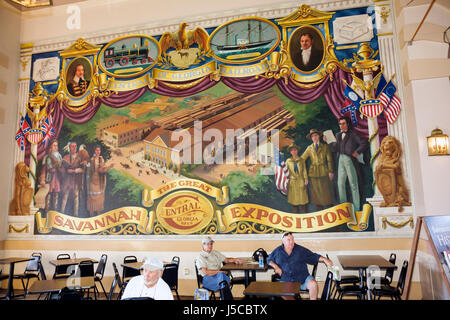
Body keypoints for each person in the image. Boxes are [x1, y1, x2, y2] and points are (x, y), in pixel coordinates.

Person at [267, 232, 333, 300]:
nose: (291, 242)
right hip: (287, 280)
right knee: (283, 292)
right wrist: (276, 267)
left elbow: (313, 256)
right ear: (283, 241)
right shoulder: (278, 251)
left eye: (292, 239)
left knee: (313, 284)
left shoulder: (300, 250)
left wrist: (325, 259)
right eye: (288, 240)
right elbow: (269, 259)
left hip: (302, 278)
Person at [326, 116, 369, 211]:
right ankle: (344, 209)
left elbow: (364, 143)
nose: (341, 126)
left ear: (348, 124)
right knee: (340, 184)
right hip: (340, 159)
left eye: (343, 123)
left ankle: (357, 208)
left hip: (350, 159)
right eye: (340, 124)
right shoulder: (337, 135)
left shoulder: (353, 134)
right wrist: (328, 141)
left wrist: (357, 152)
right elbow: (334, 149)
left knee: (353, 184)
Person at [301, 129, 334, 211]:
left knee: (326, 193)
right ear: (311, 138)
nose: (314, 138)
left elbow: (329, 160)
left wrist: (330, 171)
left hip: (324, 172)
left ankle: (329, 212)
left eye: (315, 135)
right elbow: (302, 159)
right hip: (313, 173)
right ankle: (320, 212)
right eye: (312, 136)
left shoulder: (325, 147)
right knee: (316, 194)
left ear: (319, 136)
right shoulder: (309, 148)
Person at [60, 142, 86, 217]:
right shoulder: (65, 157)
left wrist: (76, 170)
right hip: (67, 180)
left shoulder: (80, 158)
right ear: (69, 148)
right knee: (65, 196)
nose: (74, 148)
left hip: (76, 180)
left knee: (76, 196)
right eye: (72, 146)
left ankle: (76, 215)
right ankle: (61, 213)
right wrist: (66, 171)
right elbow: (62, 169)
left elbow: (83, 170)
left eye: (75, 146)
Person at [87, 145, 113, 217]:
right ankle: (91, 217)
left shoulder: (101, 159)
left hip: (100, 182)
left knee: (99, 199)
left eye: (99, 150)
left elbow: (102, 169)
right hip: (92, 181)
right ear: (94, 151)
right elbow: (90, 172)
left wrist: (108, 167)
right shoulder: (91, 160)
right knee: (92, 199)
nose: (98, 152)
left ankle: (98, 217)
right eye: (96, 150)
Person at [39, 140, 62, 211]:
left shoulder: (59, 156)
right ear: (51, 147)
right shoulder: (47, 157)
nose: (56, 147)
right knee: (48, 194)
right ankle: (46, 211)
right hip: (49, 177)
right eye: (54, 145)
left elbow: (61, 167)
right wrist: (42, 180)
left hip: (57, 177)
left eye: (56, 145)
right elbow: (43, 169)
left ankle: (55, 211)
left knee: (56, 194)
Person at [286, 144, 308, 213]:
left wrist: (306, 179)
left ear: (297, 151)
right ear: (290, 152)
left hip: (300, 180)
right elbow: (286, 172)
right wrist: (286, 180)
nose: (294, 152)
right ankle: (296, 215)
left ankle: (304, 215)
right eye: (292, 150)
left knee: (303, 200)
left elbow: (304, 170)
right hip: (292, 182)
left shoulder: (301, 160)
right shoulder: (288, 161)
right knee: (294, 201)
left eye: (295, 150)